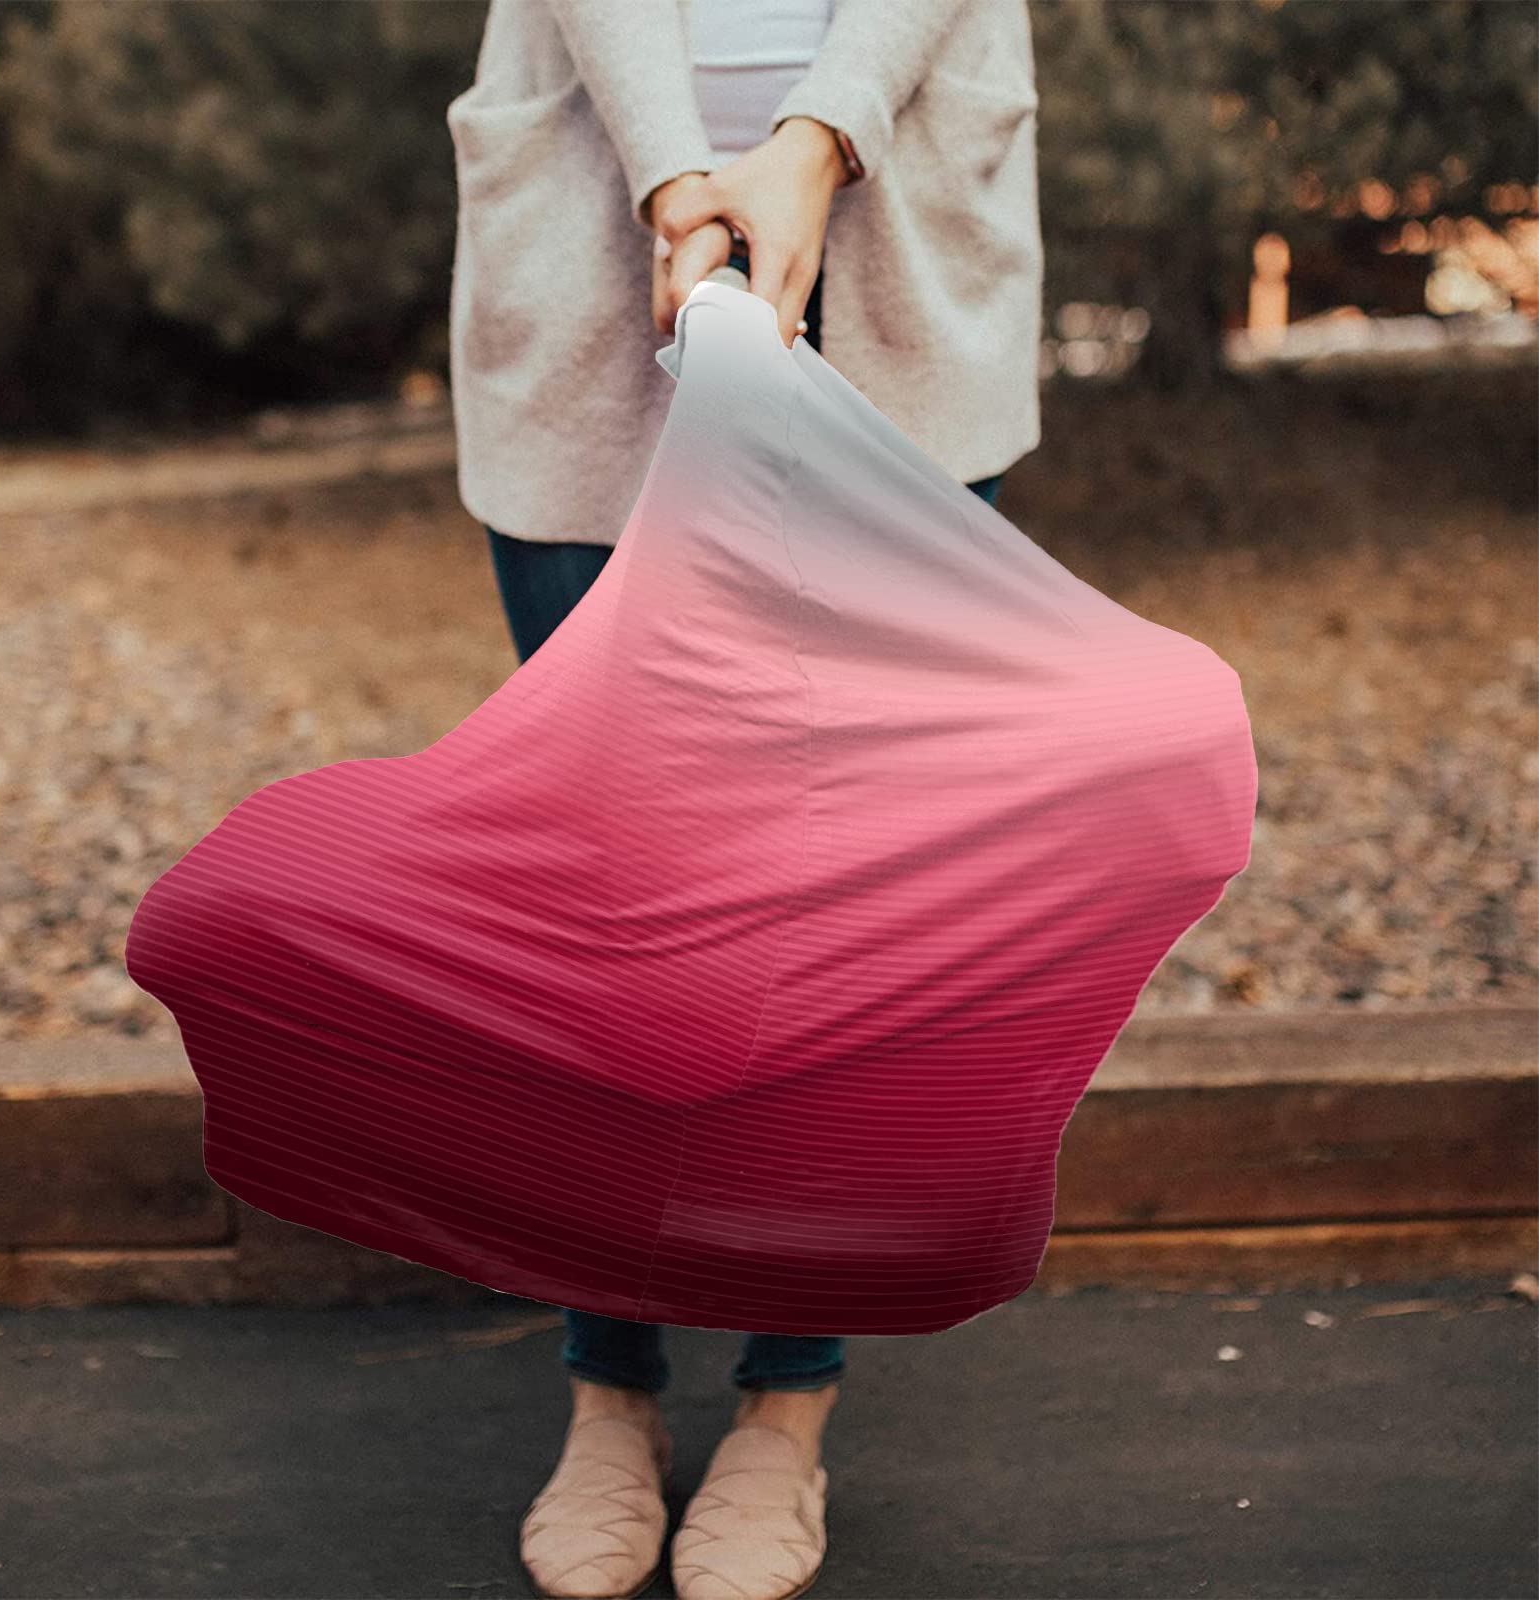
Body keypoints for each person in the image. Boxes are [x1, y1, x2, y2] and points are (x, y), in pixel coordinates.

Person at [445, 4, 1043, 1596]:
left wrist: (819, 139)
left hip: (900, 229)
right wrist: (673, 177)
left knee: (844, 901)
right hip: (591, 222)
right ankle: (609, 1386)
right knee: (609, 891)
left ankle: (788, 1401)